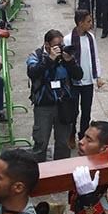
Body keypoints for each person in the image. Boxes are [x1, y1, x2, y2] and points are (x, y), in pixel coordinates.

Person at [27, 29, 83, 162]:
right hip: (43, 105)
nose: (60, 48)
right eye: (56, 45)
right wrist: (49, 60)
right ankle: (39, 173)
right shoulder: (37, 55)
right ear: (47, 45)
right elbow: (33, 73)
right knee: (41, 142)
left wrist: (70, 62)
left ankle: (61, 173)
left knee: (63, 143)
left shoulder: (65, 57)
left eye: (62, 44)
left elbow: (79, 75)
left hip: (63, 104)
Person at [67, 10, 103, 145]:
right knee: (73, 111)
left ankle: (83, 134)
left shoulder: (90, 37)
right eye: (88, 21)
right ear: (80, 23)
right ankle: (71, 133)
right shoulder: (68, 39)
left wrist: (98, 76)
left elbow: (95, 57)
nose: (90, 24)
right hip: (74, 82)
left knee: (86, 110)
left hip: (88, 80)